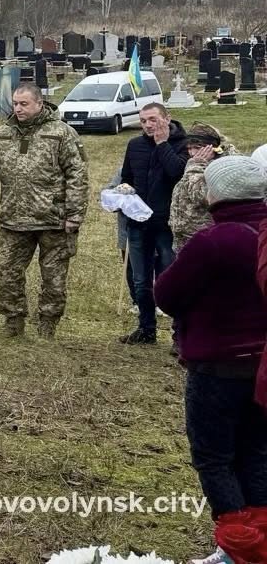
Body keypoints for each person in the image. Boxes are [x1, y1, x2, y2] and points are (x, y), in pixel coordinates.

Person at [154, 156, 267, 564]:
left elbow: (166, 295)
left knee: (215, 457)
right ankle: (260, 543)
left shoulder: (213, 241)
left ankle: (239, 548)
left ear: (216, 193)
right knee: (256, 453)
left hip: (218, 367)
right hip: (264, 368)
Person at [0, 83, 88, 338]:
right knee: (7, 273)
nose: (18, 109)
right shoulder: (1, 135)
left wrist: (74, 215)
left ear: (39, 104)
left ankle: (47, 324)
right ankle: (13, 321)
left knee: (53, 278)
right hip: (14, 220)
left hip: (53, 220)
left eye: (24, 104)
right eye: (16, 104)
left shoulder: (61, 134)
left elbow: (77, 175)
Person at [116, 103, 188, 344]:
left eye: (153, 119)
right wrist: (123, 193)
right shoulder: (134, 145)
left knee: (172, 277)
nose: (148, 125)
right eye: (143, 120)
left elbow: (177, 173)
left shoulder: (183, 144)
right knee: (140, 279)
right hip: (138, 222)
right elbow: (127, 177)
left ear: (167, 119)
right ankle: (146, 329)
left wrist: (162, 144)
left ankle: (180, 335)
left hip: (167, 224)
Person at [170, 123, 232, 251]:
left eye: (197, 147)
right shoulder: (199, 164)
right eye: (189, 148)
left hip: (204, 240)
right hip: (186, 239)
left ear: (212, 148)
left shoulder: (218, 167)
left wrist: (196, 165)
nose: (192, 153)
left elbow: (201, 195)